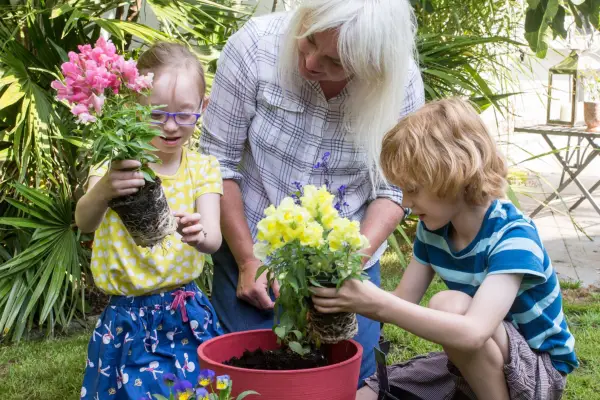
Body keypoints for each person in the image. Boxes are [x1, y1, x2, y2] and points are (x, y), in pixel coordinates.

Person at [200, 0, 424, 384]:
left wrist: (344, 272)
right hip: (252, 248)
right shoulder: (255, 47)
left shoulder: (398, 81)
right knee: (247, 372)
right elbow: (218, 164)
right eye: (308, 41)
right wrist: (247, 261)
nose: (310, 63)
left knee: (349, 379)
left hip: (348, 257)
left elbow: (393, 190)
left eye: (335, 62)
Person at [311, 98, 579, 400]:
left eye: (413, 190)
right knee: (366, 396)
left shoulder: (513, 235)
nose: (406, 204)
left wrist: (376, 303)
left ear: (453, 174)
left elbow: (474, 331)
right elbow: (402, 301)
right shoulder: (434, 231)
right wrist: (341, 296)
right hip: (473, 361)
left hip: (536, 372)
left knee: (449, 304)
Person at [76, 41, 223, 399]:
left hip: (186, 310)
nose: (171, 126)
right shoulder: (116, 165)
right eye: (157, 114)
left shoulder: (203, 168)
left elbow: (214, 238)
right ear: (132, 105)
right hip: (126, 316)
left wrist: (198, 234)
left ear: (202, 107)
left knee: (195, 392)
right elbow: (85, 222)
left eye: (184, 114)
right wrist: (104, 190)